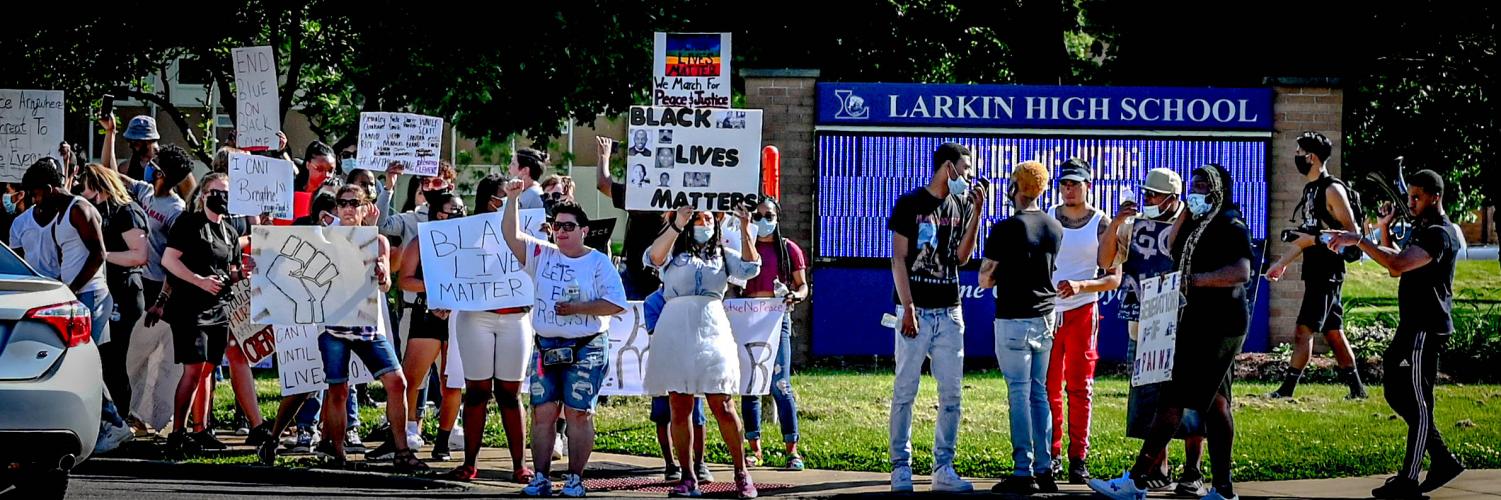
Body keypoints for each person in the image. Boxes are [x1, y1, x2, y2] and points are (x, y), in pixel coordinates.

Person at [1092, 164, 1252, 500]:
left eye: (1203, 187)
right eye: (1193, 186)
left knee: (1174, 398)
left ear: (1219, 191)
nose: (1197, 192)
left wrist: (1193, 281)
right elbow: (1170, 248)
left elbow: (1240, 271)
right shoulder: (1197, 223)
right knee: (1217, 403)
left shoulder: (1230, 223)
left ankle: (1136, 481)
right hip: (1196, 319)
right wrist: (1186, 214)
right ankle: (1223, 488)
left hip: (1219, 322)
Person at [1324, 169, 1465, 498]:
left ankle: (1410, 478)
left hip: (1425, 329)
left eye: (1417, 197)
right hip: (1411, 326)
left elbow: (1400, 264)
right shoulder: (1425, 229)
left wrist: (1360, 240)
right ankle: (1441, 458)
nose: (1410, 202)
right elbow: (1393, 265)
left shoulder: (1440, 234)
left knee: (1416, 402)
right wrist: (1384, 231)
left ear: (1435, 196)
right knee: (1396, 391)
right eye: (1409, 196)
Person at [594, 137, 712, 481]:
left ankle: (693, 463)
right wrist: (604, 158)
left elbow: (602, 182)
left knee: (687, 384)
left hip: (669, 288)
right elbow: (604, 184)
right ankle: (674, 464)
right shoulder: (641, 195)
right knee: (661, 383)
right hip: (639, 283)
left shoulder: (675, 202)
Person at [500, 182, 627, 497]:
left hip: (586, 346)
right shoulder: (542, 253)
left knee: (578, 412)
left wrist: (579, 309)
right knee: (543, 412)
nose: (562, 231)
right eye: (557, 226)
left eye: (569, 226)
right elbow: (511, 236)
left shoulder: (597, 262)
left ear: (584, 230)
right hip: (546, 346)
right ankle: (540, 477)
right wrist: (512, 199)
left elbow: (616, 304)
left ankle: (574, 479)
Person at [1097, 167, 1208, 495]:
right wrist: (1116, 223)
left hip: (1183, 326)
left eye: (1154, 195)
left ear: (1173, 198)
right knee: (1149, 401)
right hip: (1142, 325)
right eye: (1145, 193)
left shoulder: (1190, 227)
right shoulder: (1133, 226)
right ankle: (1157, 468)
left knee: (1187, 402)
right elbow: (1106, 262)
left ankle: (1193, 471)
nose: (1147, 199)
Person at [645, 204, 762, 499]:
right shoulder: (672, 251)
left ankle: (741, 472)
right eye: (697, 218)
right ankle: (688, 476)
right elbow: (653, 257)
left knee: (722, 402)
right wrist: (677, 225)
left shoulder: (722, 256)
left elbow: (750, 268)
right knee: (679, 404)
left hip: (711, 327)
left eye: (708, 218)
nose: (702, 223)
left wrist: (746, 228)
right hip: (675, 328)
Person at [886, 142, 984, 493]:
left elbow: (961, 257)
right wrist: (908, 305)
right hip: (917, 310)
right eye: (965, 169)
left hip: (949, 309)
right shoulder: (910, 203)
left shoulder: (960, 203)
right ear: (948, 167)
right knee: (905, 390)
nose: (969, 176)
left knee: (952, 394)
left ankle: (944, 466)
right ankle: (901, 465)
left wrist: (976, 215)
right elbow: (899, 258)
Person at [310, 184, 426, 471]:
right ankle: (337, 455)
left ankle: (401, 451)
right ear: (336, 208)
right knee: (338, 390)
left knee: (397, 382)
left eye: (355, 202)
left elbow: (386, 285)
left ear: (366, 209)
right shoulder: (325, 240)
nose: (349, 208)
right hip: (335, 326)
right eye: (343, 202)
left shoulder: (378, 242)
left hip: (366, 327)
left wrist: (383, 273)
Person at [21, 158, 129, 448]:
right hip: (77, 296)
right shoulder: (60, 210)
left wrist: (72, 289)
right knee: (80, 363)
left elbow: (98, 254)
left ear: (48, 188)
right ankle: (107, 422)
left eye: (36, 193)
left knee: (83, 363)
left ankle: (114, 424)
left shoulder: (78, 209)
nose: (34, 200)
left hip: (89, 295)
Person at [443, 175, 538, 482]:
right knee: (477, 392)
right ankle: (470, 463)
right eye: (503, 196)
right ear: (488, 200)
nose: (509, 200)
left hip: (515, 319)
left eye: (513, 196)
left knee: (510, 393)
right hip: (476, 318)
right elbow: (449, 267)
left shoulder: (527, 229)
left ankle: (519, 466)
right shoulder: (466, 232)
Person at [979, 161, 1062, 494]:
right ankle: (1045, 468)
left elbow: (985, 277)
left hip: (1014, 316)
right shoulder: (1054, 227)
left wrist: (1002, 273)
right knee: (1039, 393)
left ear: (1016, 187)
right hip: (1045, 315)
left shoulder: (1006, 228)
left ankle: (1022, 469)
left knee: (1018, 393)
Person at [1265, 131, 1368, 399]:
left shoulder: (1333, 189)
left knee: (1303, 330)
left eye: (1299, 152)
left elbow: (1352, 233)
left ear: (1311, 157)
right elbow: (1307, 239)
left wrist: (1316, 239)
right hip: (1315, 270)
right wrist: (1281, 264)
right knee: (1334, 332)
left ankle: (1286, 390)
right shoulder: (1310, 189)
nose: (1296, 157)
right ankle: (1358, 390)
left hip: (1328, 271)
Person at [1045, 159, 1122, 484]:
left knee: (1080, 387)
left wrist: (1081, 285)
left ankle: (1079, 458)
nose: (1069, 190)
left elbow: (1114, 278)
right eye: (1064, 184)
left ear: (1088, 185)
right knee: (1047, 387)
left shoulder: (1101, 223)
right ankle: (1051, 454)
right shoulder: (1048, 216)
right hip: (1048, 311)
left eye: (1075, 184)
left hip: (1082, 310)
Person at [159, 173, 242, 453]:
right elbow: (168, 259)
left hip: (218, 307)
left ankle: (201, 429)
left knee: (208, 369)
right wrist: (198, 280)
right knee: (193, 369)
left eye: (227, 192)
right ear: (204, 195)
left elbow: (232, 271)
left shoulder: (229, 232)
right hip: (190, 306)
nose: (222, 197)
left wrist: (243, 272)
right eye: (216, 191)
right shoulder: (189, 223)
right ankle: (178, 432)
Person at [77, 164, 151, 453]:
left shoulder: (126, 211)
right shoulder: (105, 211)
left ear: (98, 186)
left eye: (86, 188)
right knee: (109, 358)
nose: (84, 194)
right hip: (112, 289)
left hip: (125, 290)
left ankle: (123, 419)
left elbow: (139, 254)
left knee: (119, 359)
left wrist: (102, 256)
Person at [736, 198, 810, 471]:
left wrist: (794, 296)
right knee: (751, 384)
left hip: (777, 319)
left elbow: (803, 287)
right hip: (747, 317)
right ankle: (754, 448)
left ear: (778, 218)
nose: (762, 220)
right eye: (757, 216)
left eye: (768, 215)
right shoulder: (744, 246)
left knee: (781, 383)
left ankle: (792, 448)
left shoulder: (789, 250)